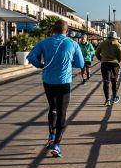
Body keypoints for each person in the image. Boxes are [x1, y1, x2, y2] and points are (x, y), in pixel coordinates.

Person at [27, 19, 85, 158]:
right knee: (62, 113)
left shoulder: (43, 42)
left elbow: (30, 56)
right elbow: (81, 63)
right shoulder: (72, 43)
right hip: (64, 82)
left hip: (48, 81)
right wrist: (69, 62)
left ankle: (51, 135)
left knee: (52, 108)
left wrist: (40, 65)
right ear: (67, 31)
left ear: (53, 30)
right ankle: (56, 145)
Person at [95, 31, 121, 106]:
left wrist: (101, 59)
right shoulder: (118, 44)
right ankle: (114, 97)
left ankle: (107, 100)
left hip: (104, 64)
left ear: (108, 36)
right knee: (114, 81)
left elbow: (96, 53)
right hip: (114, 64)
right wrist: (117, 60)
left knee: (106, 81)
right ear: (115, 37)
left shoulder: (102, 43)